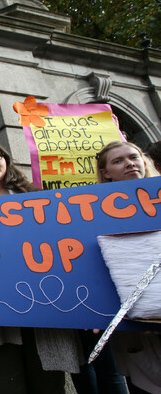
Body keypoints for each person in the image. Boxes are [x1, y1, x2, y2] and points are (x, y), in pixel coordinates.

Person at [0, 140, 83, 394]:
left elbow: (61, 245)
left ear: (7, 160)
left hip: (44, 310)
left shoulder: (35, 198)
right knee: (3, 384)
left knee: (48, 386)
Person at [95, 141, 161, 394]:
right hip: (137, 326)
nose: (130, 164)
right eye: (118, 161)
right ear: (106, 173)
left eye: (133, 157)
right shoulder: (92, 211)